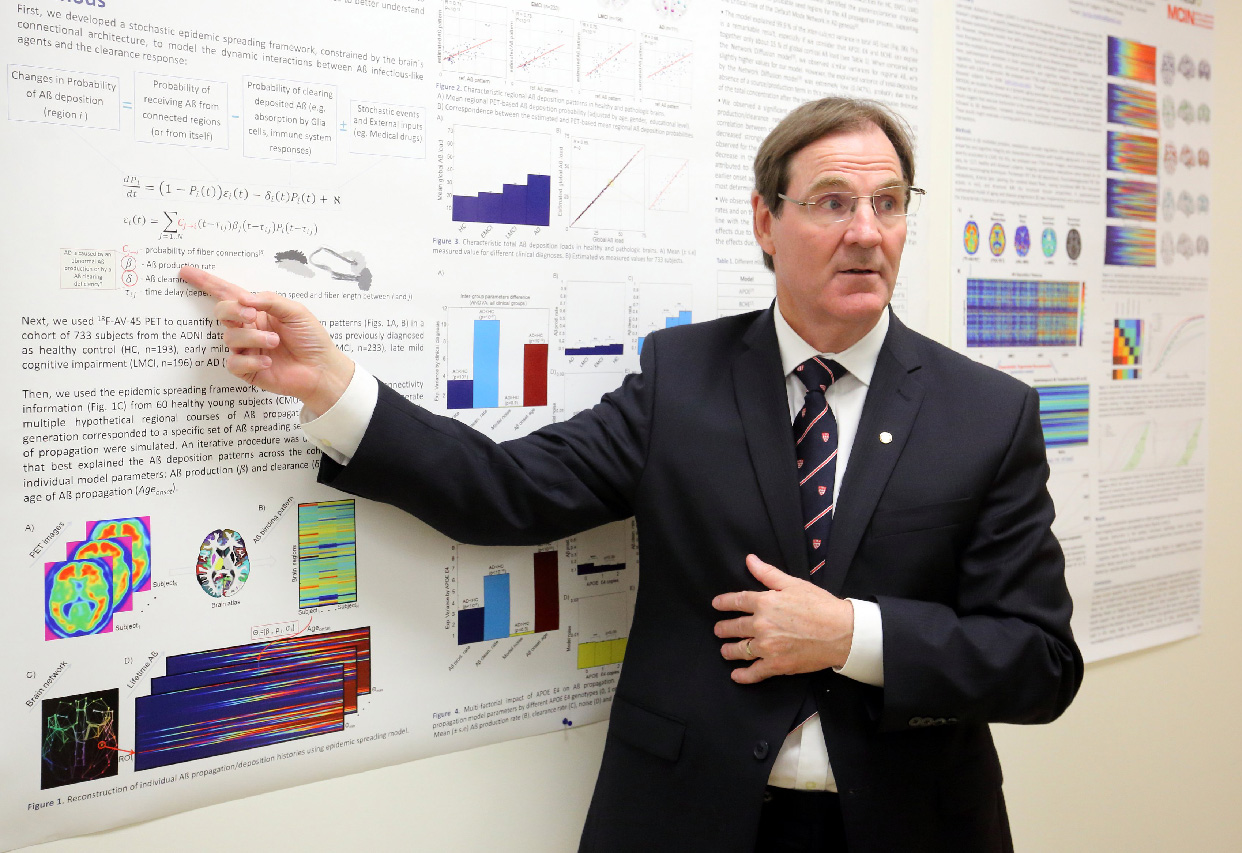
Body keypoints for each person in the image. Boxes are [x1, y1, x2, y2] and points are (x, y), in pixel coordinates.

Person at [181, 97, 1082, 852]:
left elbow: (1040, 663)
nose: (866, 232)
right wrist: (334, 387)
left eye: (888, 203)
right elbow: (511, 492)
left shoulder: (986, 412)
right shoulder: (683, 378)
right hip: (689, 817)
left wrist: (853, 634)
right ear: (766, 221)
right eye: (833, 202)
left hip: (909, 823)